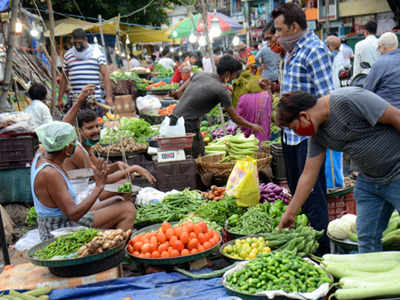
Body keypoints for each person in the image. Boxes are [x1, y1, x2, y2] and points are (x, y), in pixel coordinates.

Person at [276, 87, 400, 253]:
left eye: (293, 127)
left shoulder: (350, 99)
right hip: (369, 181)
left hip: (397, 173)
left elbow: (396, 117)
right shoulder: (317, 135)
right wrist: (290, 212)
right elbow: (308, 174)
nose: (296, 133)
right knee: (366, 238)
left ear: (304, 116)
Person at [272, 2, 334, 253]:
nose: (276, 35)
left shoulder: (314, 50)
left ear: (294, 26)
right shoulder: (292, 52)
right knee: (298, 189)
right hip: (290, 135)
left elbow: (327, 97)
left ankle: (321, 252)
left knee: (313, 195)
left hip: (309, 135)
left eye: (279, 29)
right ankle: (304, 245)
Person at [32, 121, 136, 241]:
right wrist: (98, 187)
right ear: (67, 148)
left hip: (66, 217)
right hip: (59, 229)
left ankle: (108, 241)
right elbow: (74, 214)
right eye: (73, 143)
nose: (76, 145)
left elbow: (58, 130)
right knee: (128, 210)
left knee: (118, 200)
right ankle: (114, 251)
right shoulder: (50, 174)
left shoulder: (41, 154)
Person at [62, 85, 156, 188]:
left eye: (97, 126)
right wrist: (133, 169)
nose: (96, 130)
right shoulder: (77, 150)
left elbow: (101, 170)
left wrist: (116, 165)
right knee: (123, 184)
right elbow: (101, 178)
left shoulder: (87, 148)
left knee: (124, 183)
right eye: (90, 128)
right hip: (78, 196)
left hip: (89, 186)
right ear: (79, 131)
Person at [172, 55, 265, 158]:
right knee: (195, 158)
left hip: (173, 119)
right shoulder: (221, 90)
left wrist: (181, 94)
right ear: (227, 74)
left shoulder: (200, 74)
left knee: (195, 153)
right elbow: (235, 118)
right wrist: (253, 126)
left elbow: (180, 91)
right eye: (234, 74)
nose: (235, 77)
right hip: (187, 125)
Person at [58, 29, 112, 111]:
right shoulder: (68, 55)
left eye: (79, 43)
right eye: (75, 43)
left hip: (93, 102)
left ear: (86, 40)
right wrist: (60, 98)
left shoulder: (97, 53)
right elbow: (64, 78)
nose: (77, 45)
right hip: (75, 102)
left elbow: (106, 75)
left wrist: (108, 97)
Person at [364, 32, 400, 108]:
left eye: (379, 47)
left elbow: (367, 90)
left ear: (383, 47)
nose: (379, 51)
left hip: (388, 111)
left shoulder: (380, 63)